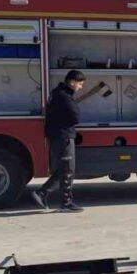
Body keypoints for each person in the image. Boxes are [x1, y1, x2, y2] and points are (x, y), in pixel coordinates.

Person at [31, 70, 86, 212]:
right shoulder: (64, 96)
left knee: (64, 168)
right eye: (80, 84)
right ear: (72, 82)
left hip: (57, 135)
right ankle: (65, 203)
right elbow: (76, 116)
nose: (81, 87)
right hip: (63, 136)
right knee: (67, 169)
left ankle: (42, 194)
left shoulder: (57, 93)